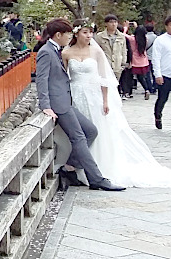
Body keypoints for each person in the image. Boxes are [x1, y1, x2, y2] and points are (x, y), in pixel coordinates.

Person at [63, 19, 171, 187]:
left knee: (97, 130)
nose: (89, 35)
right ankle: (76, 166)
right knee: (80, 131)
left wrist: (105, 100)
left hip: (93, 94)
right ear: (76, 33)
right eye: (85, 32)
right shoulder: (66, 53)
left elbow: (103, 77)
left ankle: (92, 166)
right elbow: (64, 78)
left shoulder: (95, 52)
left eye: (90, 32)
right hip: (75, 94)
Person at [35, 18, 124, 191]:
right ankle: (96, 179)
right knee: (79, 137)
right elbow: (41, 79)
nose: (70, 37)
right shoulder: (46, 51)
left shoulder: (57, 50)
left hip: (66, 101)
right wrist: (45, 105)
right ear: (58, 35)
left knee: (91, 131)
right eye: (67, 34)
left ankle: (69, 168)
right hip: (58, 103)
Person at [152, 15, 171, 131]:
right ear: (166, 27)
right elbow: (156, 58)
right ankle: (158, 116)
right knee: (162, 98)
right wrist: (158, 74)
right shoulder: (160, 40)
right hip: (165, 75)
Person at [94, 14, 128, 95]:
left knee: (114, 88)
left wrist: (123, 64)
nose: (114, 24)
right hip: (105, 66)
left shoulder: (121, 36)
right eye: (111, 22)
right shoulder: (100, 36)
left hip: (117, 66)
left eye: (115, 22)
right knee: (105, 87)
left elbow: (124, 51)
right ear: (106, 24)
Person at [129, 25, 153, 100]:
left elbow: (124, 35)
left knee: (129, 76)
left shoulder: (132, 39)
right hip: (143, 60)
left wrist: (126, 28)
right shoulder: (145, 39)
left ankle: (129, 91)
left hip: (134, 60)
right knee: (142, 77)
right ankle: (147, 89)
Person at [145, 22, 158, 95]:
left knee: (147, 74)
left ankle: (149, 88)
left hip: (147, 57)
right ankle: (155, 87)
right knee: (154, 73)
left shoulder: (145, 37)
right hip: (155, 57)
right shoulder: (157, 37)